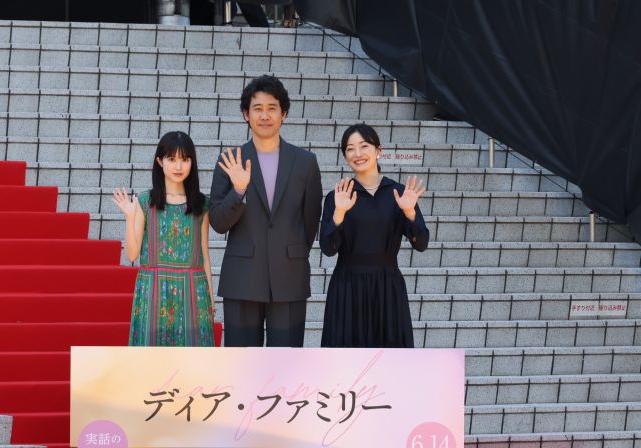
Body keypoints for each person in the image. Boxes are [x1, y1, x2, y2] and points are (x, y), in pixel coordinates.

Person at [209, 74, 322, 347]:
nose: (265, 115)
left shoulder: (306, 162)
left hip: (289, 276)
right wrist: (238, 191)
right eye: (257, 108)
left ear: (284, 114)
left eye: (272, 108)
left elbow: (310, 220)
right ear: (246, 114)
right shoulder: (230, 161)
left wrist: (289, 251)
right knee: (242, 362)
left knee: (286, 363)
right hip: (242, 278)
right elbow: (218, 222)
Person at [319, 124, 429, 348]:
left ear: (378, 150)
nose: (357, 154)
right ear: (345, 156)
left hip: (387, 286)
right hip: (347, 287)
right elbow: (328, 249)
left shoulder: (398, 193)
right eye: (350, 149)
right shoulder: (338, 196)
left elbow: (422, 243)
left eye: (364, 146)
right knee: (345, 359)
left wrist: (410, 212)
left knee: (389, 358)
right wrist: (339, 214)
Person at [113, 131, 215, 346]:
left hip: (193, 291)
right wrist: (129, 218)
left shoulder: (202, 204)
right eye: (171, 159)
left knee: (192, 360)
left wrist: (210, 298)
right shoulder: (144, 201)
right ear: (160, 161)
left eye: (185, 159)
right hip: (153, 290)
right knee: (152, 360)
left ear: (192, 163)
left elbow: (204, 255)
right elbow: (132, 254)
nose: (178, 166)